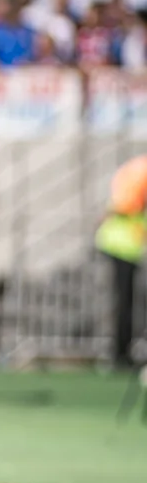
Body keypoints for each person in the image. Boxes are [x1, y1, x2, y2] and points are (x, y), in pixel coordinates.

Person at [95, 154, 147, 369]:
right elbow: (126, 204)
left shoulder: (135, 167)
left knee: (127, 302)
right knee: (125, 302)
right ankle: (120, 353)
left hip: (124, 243)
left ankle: (121, 352)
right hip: (122, 244)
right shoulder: (141, 170)